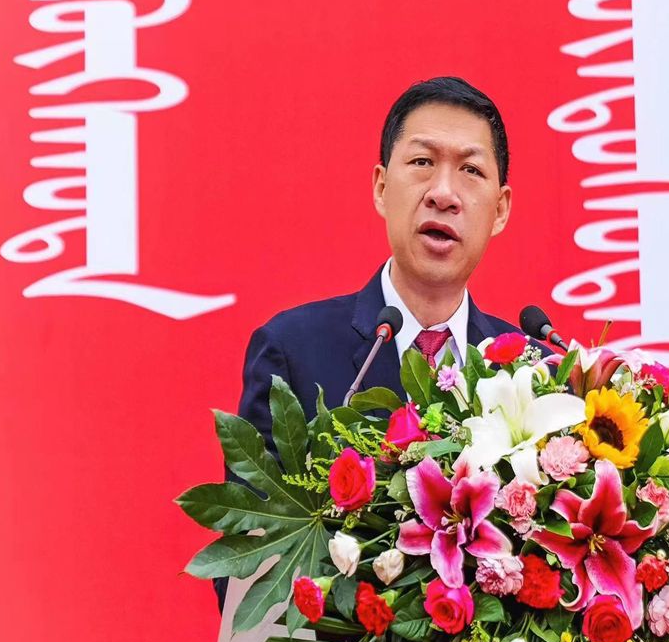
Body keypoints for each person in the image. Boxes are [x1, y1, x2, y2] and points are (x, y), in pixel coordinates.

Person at [216, 77, 544, 610]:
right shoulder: (293, 352)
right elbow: (251, 564)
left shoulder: (534, 372)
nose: (443, 193)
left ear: (500, 209)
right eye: (422, 163)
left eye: (471, 170)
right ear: (380, 187)